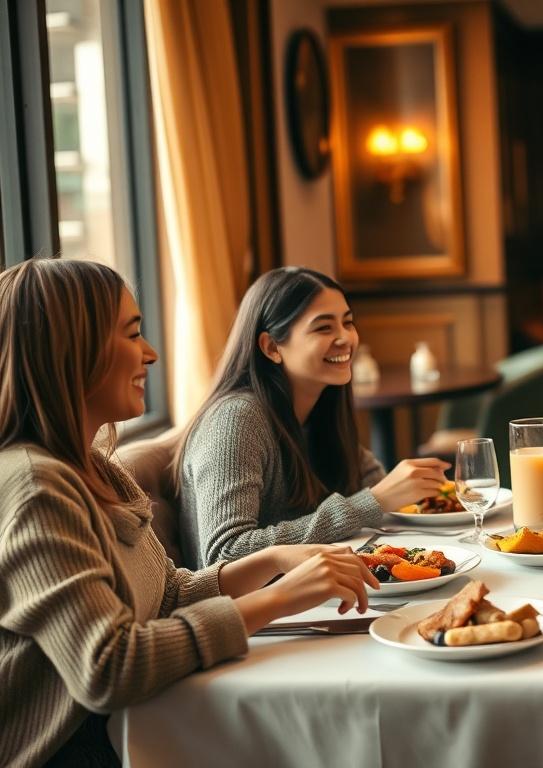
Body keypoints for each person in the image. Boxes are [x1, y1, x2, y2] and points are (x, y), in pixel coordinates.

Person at [0, 259, 378, 768]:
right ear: (71, 351)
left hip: (128, 727)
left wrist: (273, 562)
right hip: (71, 750)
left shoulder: (94, 467)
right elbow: (110, 668)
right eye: (133, 335)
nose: (150, 353)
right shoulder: (35, 487)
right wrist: (280, 599)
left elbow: (168, 593)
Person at [176, 267, 449, 569]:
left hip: (322, 592)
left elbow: (375, 484)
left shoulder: (319, 406)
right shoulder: (234, 420)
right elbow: (225, 554)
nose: (345, 338)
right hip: (263, 611)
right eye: (324, 328)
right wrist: (372, 502)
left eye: (348, 322)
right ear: (271, 347)